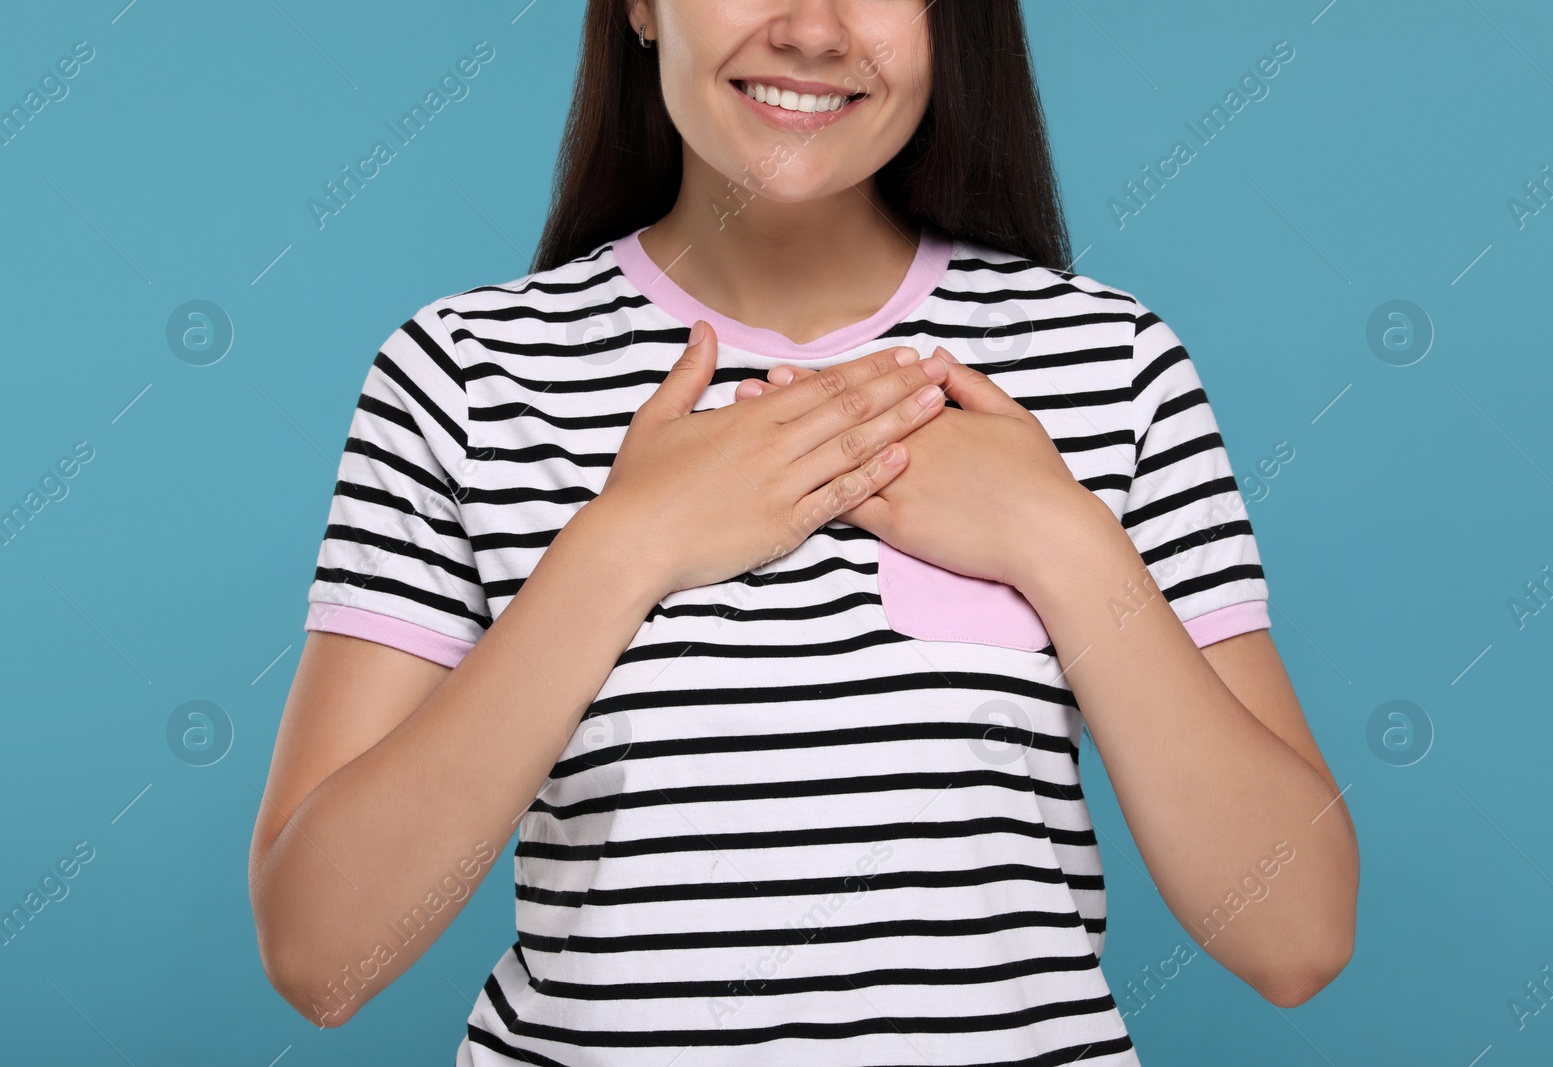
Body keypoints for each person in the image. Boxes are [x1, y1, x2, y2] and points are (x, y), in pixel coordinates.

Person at [248, 1, 1360, 1063]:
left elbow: (1294, 934)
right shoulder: (467, 379)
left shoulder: (1108, 364)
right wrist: (623, 546)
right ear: (639, 4)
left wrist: (1061, 543)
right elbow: (324, 955)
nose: (813, 29)